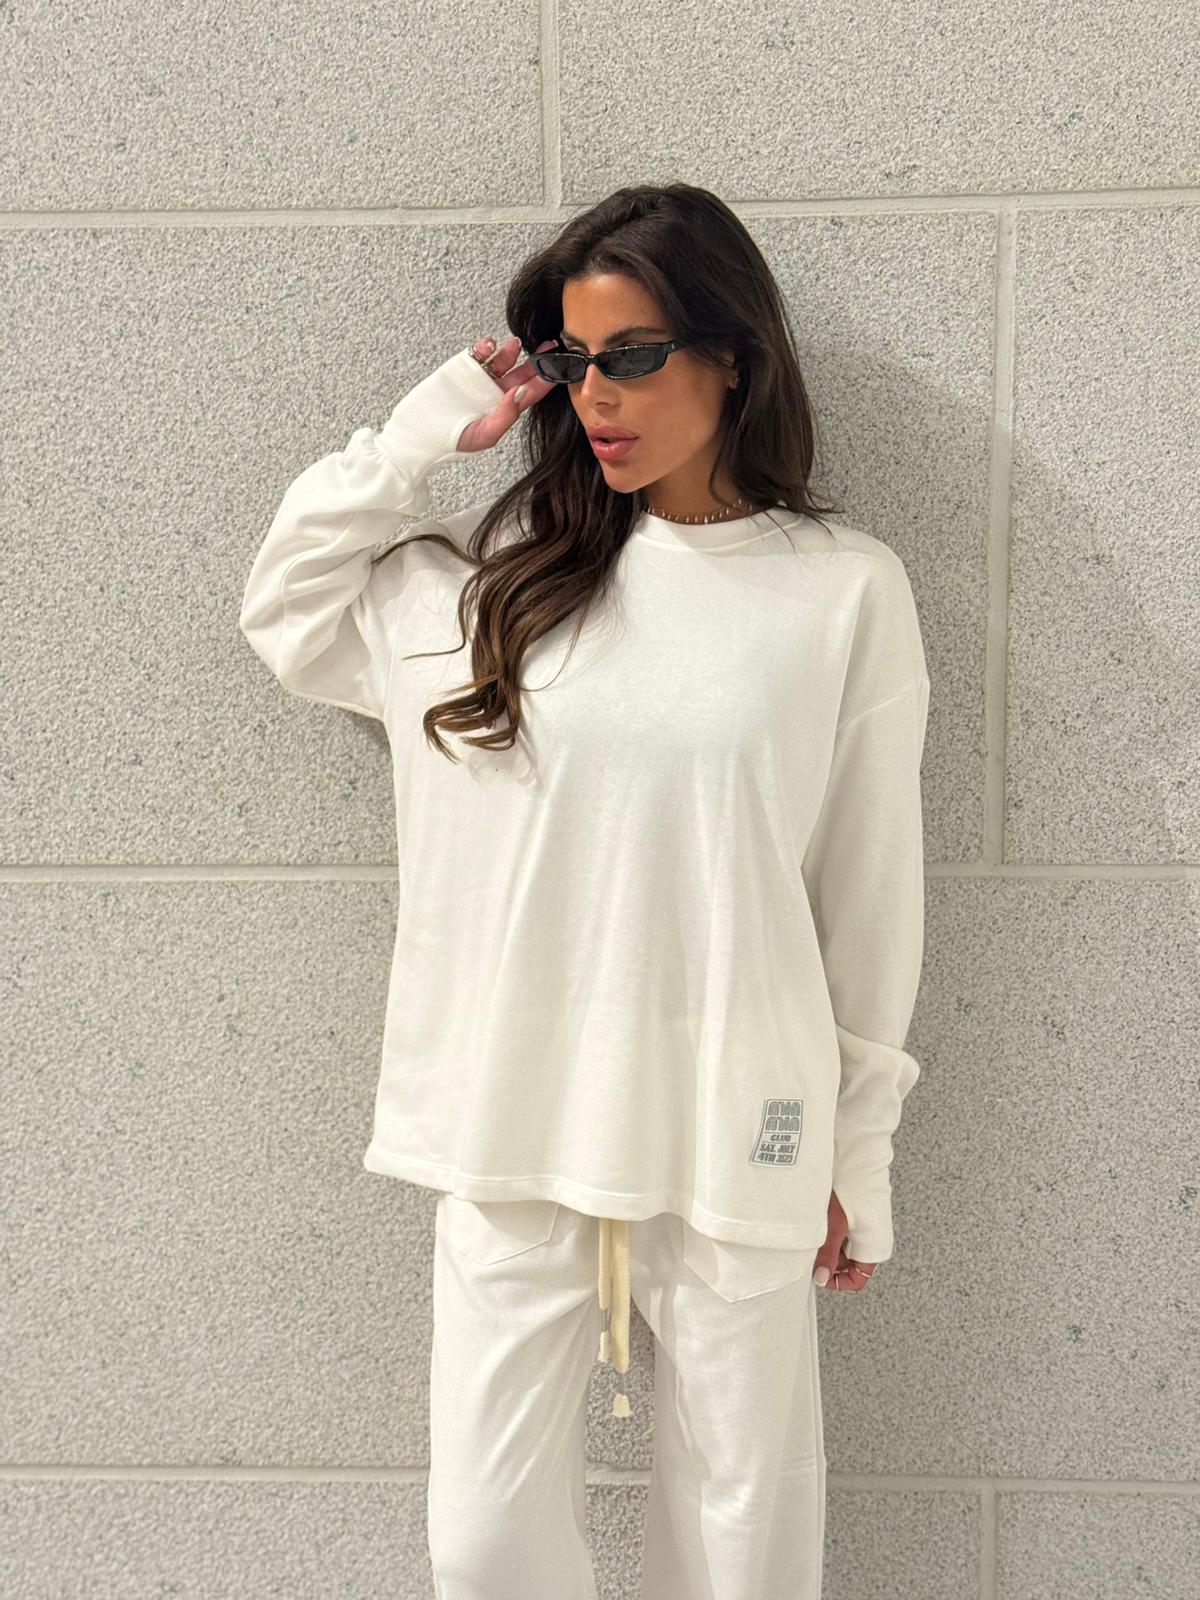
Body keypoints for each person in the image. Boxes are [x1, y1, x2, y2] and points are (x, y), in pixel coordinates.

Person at [238, 182, 930, 1600]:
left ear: (730, 357)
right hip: (516, 1123)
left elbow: (869, 885)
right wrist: (429, 429)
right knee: (484, 1546)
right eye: (574, 362)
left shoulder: (842, 590)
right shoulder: (485, 589)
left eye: (634, 357)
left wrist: (857, 1147)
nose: (598, 399)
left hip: (741, 1117)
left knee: (742, 1551)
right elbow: (286, 603)